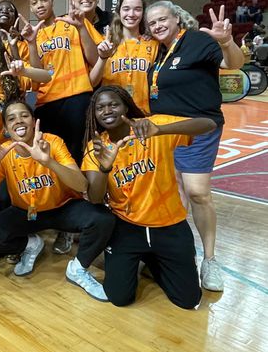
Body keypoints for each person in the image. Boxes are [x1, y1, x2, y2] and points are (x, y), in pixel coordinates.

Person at [82, 85, 216, 308]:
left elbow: (208, 125)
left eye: (114, 104)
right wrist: (105, 168)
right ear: (94, 114)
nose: (107, 111)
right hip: (127, 227)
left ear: (126, 106)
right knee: (120, 298)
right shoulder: (96, 148)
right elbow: (95, 198)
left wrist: (160, 131)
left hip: (169, 225)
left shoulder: (154, 126)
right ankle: (144, 255)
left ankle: (153, 259)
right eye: (100, 108)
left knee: (188, 300)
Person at [0, 100, 115, 301]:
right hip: (26, 212)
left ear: (33, 121)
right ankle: (31, 244)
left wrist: (48, 162)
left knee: (103, 219)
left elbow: (82, 185)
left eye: (24, 115)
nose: (18, 121)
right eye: (11, 118)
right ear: (5, 129)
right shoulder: (4, 151)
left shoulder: (52, 142)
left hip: (62, 207)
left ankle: (78, 268)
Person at [145, 2, 244, 292]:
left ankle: (210, 260)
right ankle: (178, 254)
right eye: (152, 23)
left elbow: (233, 64)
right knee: (175, 195)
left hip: (199, 127)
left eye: (162, 19)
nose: (158, 26)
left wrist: (226, 42)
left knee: (198, 193)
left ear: (177, 18)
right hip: (165, 131)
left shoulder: (198, 40)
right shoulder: (158, 51)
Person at [25, 0, 98, 256]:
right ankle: (60, 222)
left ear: (52, 1)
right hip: (47, 104)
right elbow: (37, 74)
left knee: (77, 161)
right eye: (34, 2)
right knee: (53, 162)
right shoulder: (33, 34)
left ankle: (77, 224)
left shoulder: (74, 22)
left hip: (77, 98)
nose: (39, 5)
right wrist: (31, 43)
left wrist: (81, 27)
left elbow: (93, 57)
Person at [0, 27, 51, 268]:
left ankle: (14, 243)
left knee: (8, 196)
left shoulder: (13, 70)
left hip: (14, 144)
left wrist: (23, 70)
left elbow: (46, 77)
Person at [88, 0, 158, 113]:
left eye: (137, 9)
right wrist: (103, 57)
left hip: (144, 114)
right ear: (119, 12)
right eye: (126, 9)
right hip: (112, 114)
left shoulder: (153, 44)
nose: (131, 14)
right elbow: (92, 83)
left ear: (143, 13)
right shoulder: (105, 43)